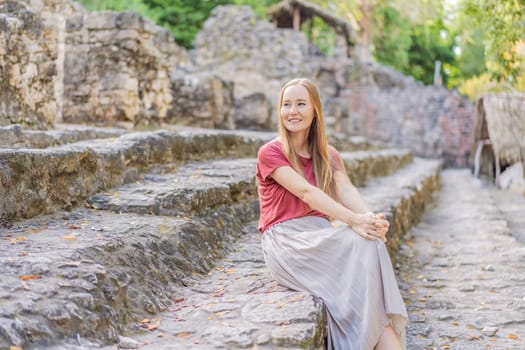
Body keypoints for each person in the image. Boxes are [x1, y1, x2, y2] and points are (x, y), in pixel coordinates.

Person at [256, 78, 408, 350]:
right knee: (363, 253)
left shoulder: (329, 155)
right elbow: (305, 192)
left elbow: (345, 189)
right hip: (287, 241)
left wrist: (369, 219)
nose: (293, 111)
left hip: (320, 234)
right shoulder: (270, 152)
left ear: (315, 110)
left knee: (370, 241)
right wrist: (354, 221)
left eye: (301, 104)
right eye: (286, 104)